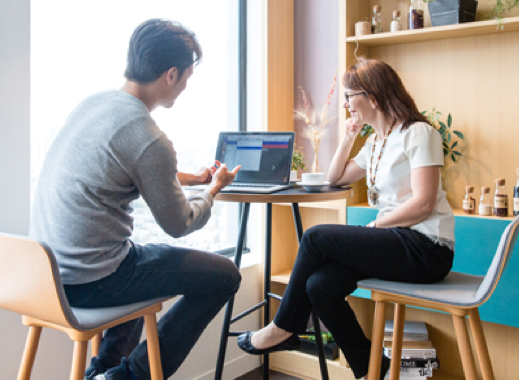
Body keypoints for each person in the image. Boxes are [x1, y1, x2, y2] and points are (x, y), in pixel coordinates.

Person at [29, 19, 242, 380]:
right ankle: (126, 377)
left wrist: (191, 177)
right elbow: (180, 223)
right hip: (90, 281)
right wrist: (213, 189)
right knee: (225, 275)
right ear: (171, 75)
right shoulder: (149, 137)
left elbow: (124, 167)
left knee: (135, 256)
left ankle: (101, 372)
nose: (186, 87)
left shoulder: (92, 105)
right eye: (188, 78)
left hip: (44, 275)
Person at [237, 58, 455, 380]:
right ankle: (371, 368)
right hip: (397, 241)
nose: (345, 104)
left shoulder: (419, 133)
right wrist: (349, 136)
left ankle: (283, 327)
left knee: (315, 237)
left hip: (427, 247)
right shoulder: (377, 142)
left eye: (350, 96)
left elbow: (423, 204)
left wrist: (375, 226)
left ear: (373, 97)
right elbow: (335, 177)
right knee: (319, 285)